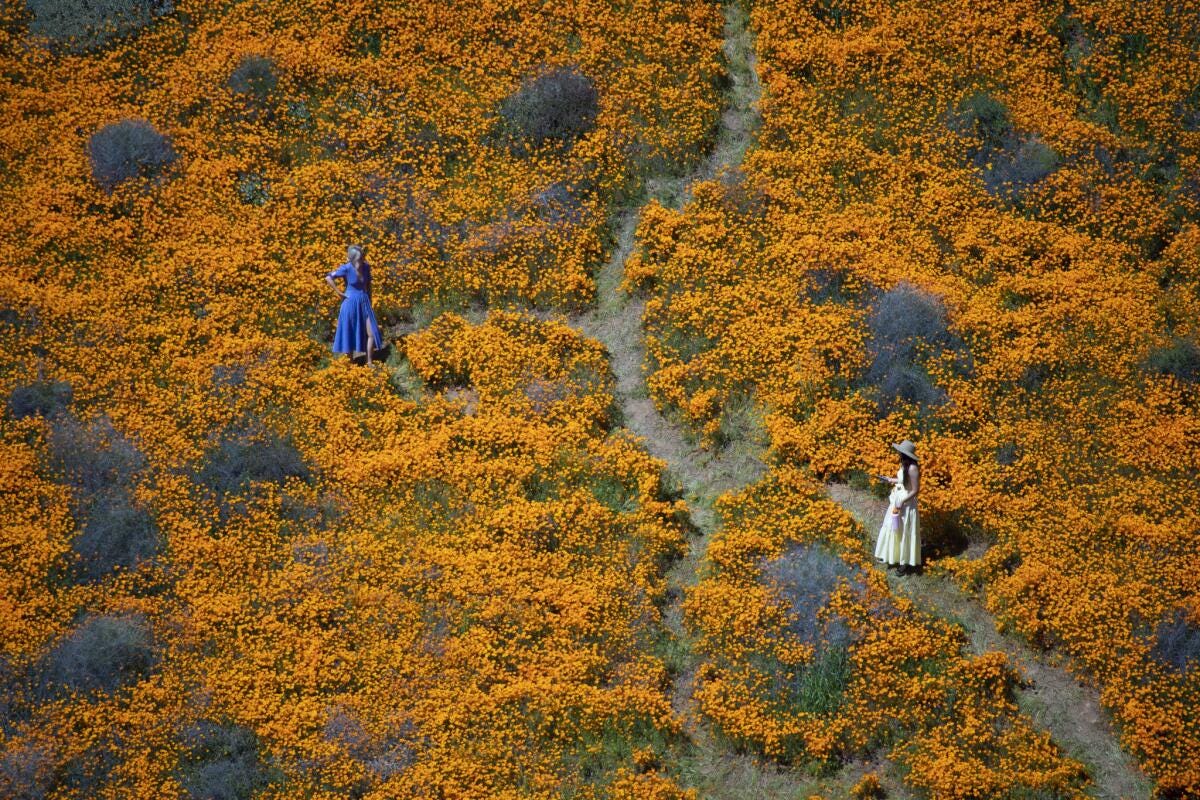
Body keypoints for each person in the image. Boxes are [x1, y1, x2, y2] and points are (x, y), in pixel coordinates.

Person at [326, 244, 383, 365]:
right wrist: (339, 292)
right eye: (359, 259)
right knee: (349, 332)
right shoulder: (346, 268)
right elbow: (328, 277)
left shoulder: (366, 267)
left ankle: (369, 362)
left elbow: (369, 285)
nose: (361, 261)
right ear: (352, 260)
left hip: (365, 302)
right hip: (350, 304)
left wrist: (370, 300)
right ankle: (350, 363)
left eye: (362, 258)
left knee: (371, 332)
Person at [873, 439, 921, 572]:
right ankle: (890, 555)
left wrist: (903, 501)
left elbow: (915, 490)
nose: (898, 453)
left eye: (900, 452)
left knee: (904, 531)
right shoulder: (905, 465)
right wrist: (890, 479)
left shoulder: (913, 468)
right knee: (893, 527)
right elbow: (903, 480)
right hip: (897, 500)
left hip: (906, 503)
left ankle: (904, 563)